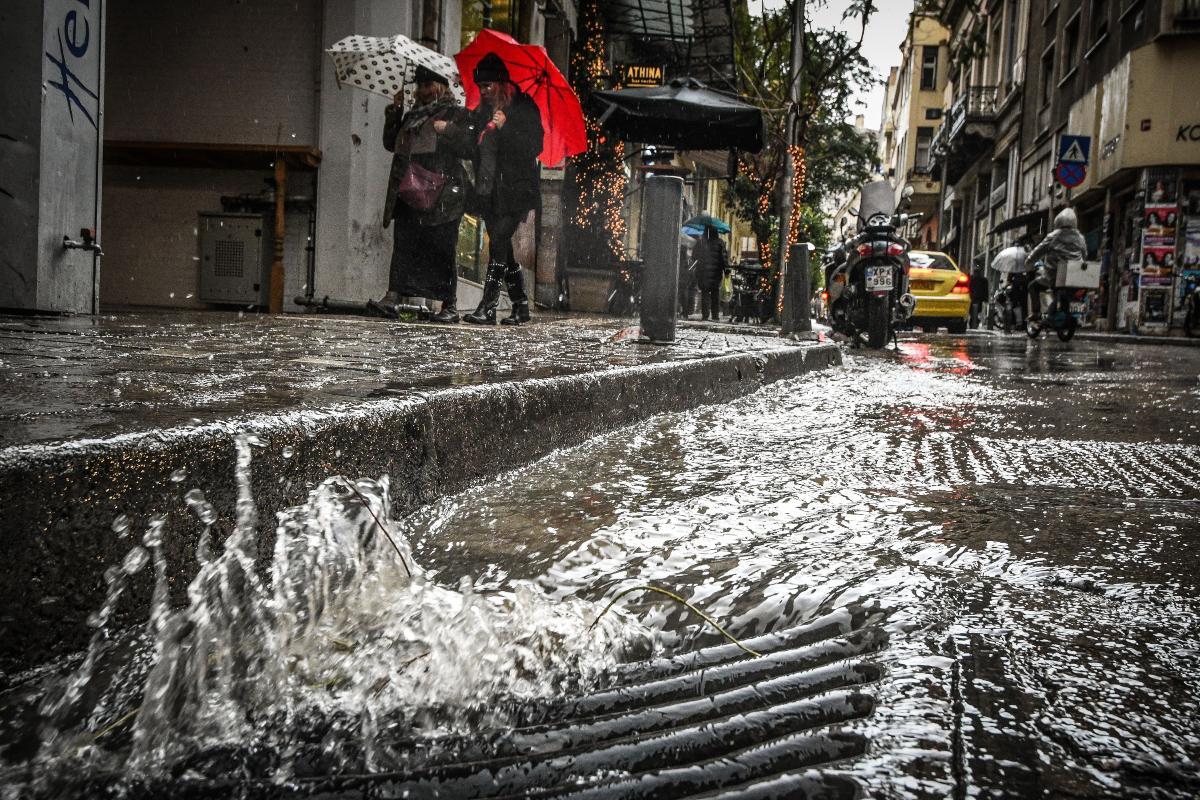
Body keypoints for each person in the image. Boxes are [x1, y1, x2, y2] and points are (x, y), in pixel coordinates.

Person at [380, 65, 475, 323]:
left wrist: (449, 130)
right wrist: (395, 112)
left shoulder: (455, 113)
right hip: (411, 192)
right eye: (420, 86)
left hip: (443, 196)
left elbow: (469, 147)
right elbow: (391, 144)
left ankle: (449, 303)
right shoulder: (412, 115)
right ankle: (394, 294)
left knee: (441, 247)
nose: (423, 91)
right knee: (405, 243)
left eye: (428, 85)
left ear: (441, 86)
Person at [461, 52, 545, 326]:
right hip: (488, 191)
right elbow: (471, 145)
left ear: (501, 83)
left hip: (517, 190)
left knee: (498, 239)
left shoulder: (523, 107)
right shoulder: (482, 112)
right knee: (502, 247)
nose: (483, 91)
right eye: (480, 86)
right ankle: (520, 305)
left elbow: (534, 147)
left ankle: (488, 306)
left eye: (488, 86)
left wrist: (506, 127)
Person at [1027, 207, 1087, 321]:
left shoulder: (1053, 236)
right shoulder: (1080, 237)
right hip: (1075, 275)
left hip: (1054, 275)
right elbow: (1085, 254)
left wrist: (1029, 260)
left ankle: (1036, 313)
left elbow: (1038, 251)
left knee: (1032, 286)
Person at [692, 225, 729, 321]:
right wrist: (726, 270)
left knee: (705, 293)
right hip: (716, 273)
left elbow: (694, 257)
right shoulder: (720, 243)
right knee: (715, 294)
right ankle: (715, 315)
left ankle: (705, 314)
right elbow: (724, 258)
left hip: (703, 273)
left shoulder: (701, 243)